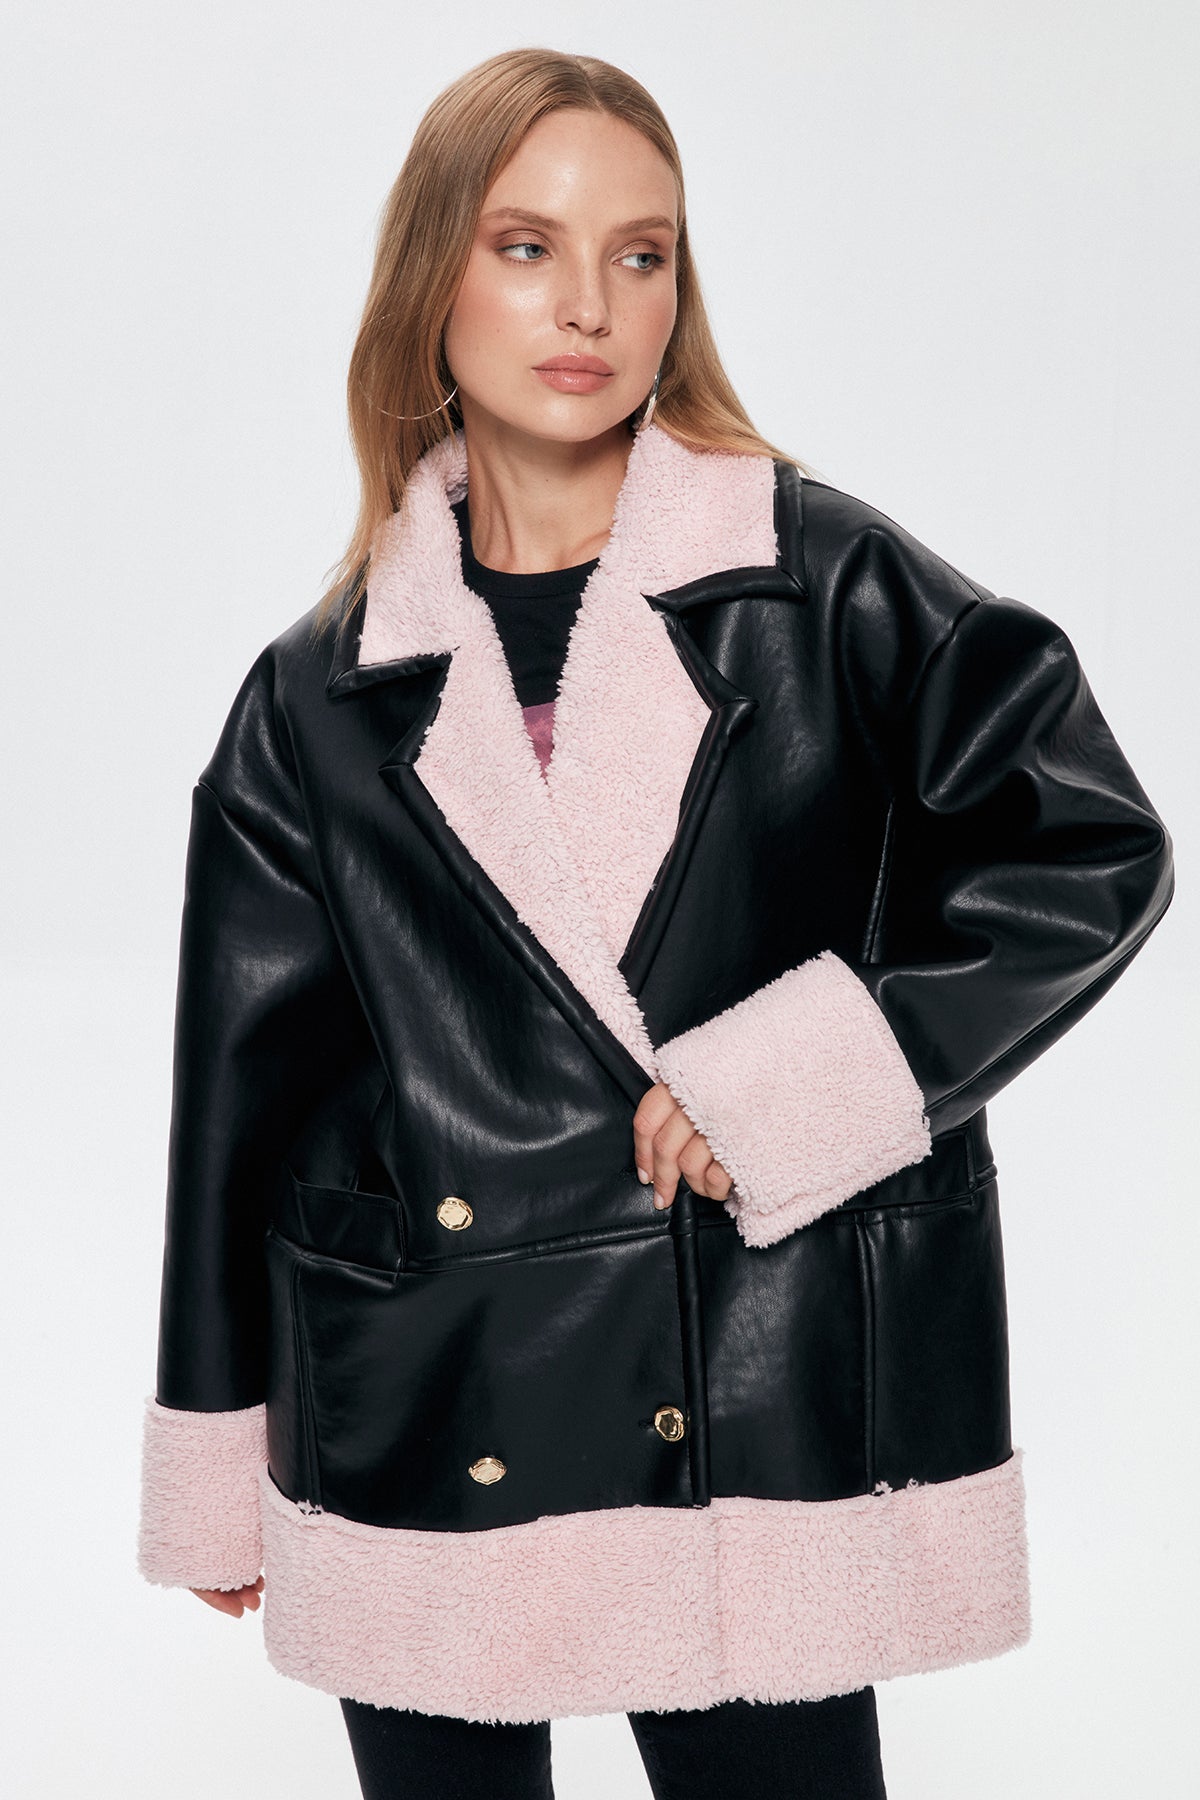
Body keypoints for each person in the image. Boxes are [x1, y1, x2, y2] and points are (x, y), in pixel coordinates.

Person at [135, 45, 1175, 1800]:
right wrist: (220, 1451)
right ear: (434, 275)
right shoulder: (318, 691)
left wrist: (808, 1077)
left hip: (749, 1388)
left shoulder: (822, 583)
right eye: (527, 246)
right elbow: (239, 1094)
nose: (591, 305)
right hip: (430, 1388)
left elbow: (1085, 843)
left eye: (642, 253)